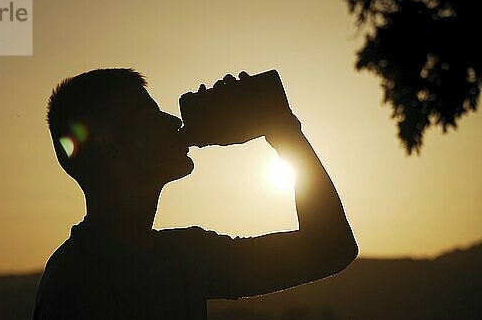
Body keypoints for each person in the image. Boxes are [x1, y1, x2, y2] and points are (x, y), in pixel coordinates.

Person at [33, 68, 358, 320]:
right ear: (111, 150)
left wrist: (283, 130)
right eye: (150, 118)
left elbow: (330, 248)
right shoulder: (75, 284)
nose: (173, 120)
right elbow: (330, 249)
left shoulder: (185, 256)